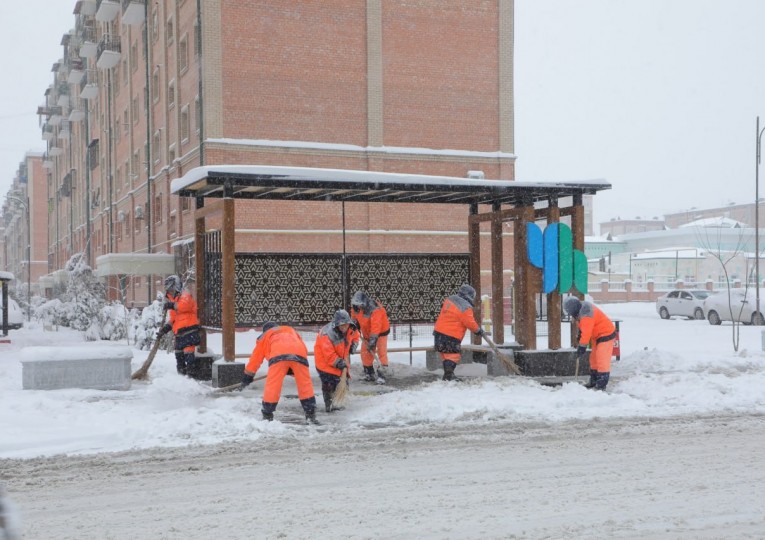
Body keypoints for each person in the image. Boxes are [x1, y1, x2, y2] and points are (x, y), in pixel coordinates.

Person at [239, 322, 318, 423]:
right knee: (305, 384)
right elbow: (301, 346)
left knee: (273, 385)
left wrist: (248, 376)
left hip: (278, 355)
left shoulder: (264, 336)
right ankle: (311, 414)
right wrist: (291, 368)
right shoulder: (290, 330)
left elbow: (255, 359)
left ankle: (267, 414)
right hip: (299, 355)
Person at [563, 296, 617, 390]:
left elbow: (587, 332)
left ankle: (601, 383)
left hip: (606, 333)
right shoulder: (581, 309)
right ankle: (594, 380)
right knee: (593, 359)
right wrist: (580, 334)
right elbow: (583, 327)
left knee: (602, 358)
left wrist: (582, 346)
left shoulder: (586, 314)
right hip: (597, 335)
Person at [433, 284, 483, 381]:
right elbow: (470, 322)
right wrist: (478, 331)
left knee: (445, 354)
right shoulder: (465, 308)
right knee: (453, 355)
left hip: (438, 332)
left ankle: (448, 374)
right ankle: (448, 376)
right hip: (451, 335)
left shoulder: (449, 300)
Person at [314, 309, 359, 412]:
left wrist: (353, 345)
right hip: (325, 364)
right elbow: (328, 355)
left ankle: (339, 402)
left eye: (346, 324)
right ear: (336, 324)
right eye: (341, 325)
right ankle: (329, 404)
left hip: (342, 361)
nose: (344, 327)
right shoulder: (326, 334)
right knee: (329, 384)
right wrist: (339, 362)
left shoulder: (351, 328)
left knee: (343, 382)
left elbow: (355, 336)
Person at [158, 275, 201, 377]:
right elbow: (173, 318)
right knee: (179, 356)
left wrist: (172, 305)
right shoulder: (174, 301)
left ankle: (191, 378)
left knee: (189, 357)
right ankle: (181, 379)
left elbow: (184, 306)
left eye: (172, 289)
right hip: (179, 334)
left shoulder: (185, 295)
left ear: (177, 287)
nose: (171, 292)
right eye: (169, 290)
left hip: (189, 331)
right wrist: (165, 328)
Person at [350, 291, 390, 383]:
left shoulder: (375, 309)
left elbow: (376, 326)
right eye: (357, 305)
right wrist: (354, 324)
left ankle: (382, 375)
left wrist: (373, 341)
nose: (358, 307)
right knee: (365, 352)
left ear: (364, 302)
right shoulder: (355, 307)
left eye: (360, 305)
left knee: (381, 352)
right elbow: (354, 318)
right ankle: (369, 373)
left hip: (381, 332)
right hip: (367, 332)